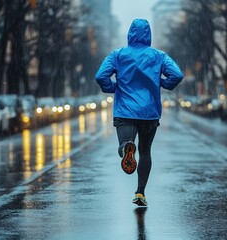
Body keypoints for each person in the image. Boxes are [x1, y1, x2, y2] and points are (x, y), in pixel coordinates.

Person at [95, 18, 183, 206]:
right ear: (149, 34)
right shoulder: (159, 56)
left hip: (125, 110)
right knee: (145, 152)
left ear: (130, 34)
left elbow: (100, 76)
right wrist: (162, 83)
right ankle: (140, 193)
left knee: (125, 143)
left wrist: (113, 88)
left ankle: (127, 147)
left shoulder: (118, 55)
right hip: (149, 112)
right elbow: (177, 75)